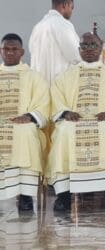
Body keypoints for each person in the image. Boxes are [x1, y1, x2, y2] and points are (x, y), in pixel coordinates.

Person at [47, 32, 105, 211]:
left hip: (104, 120)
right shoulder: (65, 76)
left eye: (93, 45)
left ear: (101, 48)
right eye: (84, 46)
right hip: (73, 120)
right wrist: (65, 112)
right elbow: (56, 96)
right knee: (63, 132)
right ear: (79, 50)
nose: (89, 50)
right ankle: (64, 195)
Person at [0, 33, 49, 211]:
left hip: (24, 122)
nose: (10, 53)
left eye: (14, 49)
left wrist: (29, 117)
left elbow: (43, 104)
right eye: (6, 49)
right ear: (0, 51)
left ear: (22, 52)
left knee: (26, 131)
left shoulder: (34, 77)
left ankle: (25, 195)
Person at [29, 0, 81, 85]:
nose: (72, 11)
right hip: (59, 88)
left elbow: (32, 53)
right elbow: (77, 55)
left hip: (39, 90)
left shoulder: (37, 27)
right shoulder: (64, 24)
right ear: (65, 5)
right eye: (72, 7)